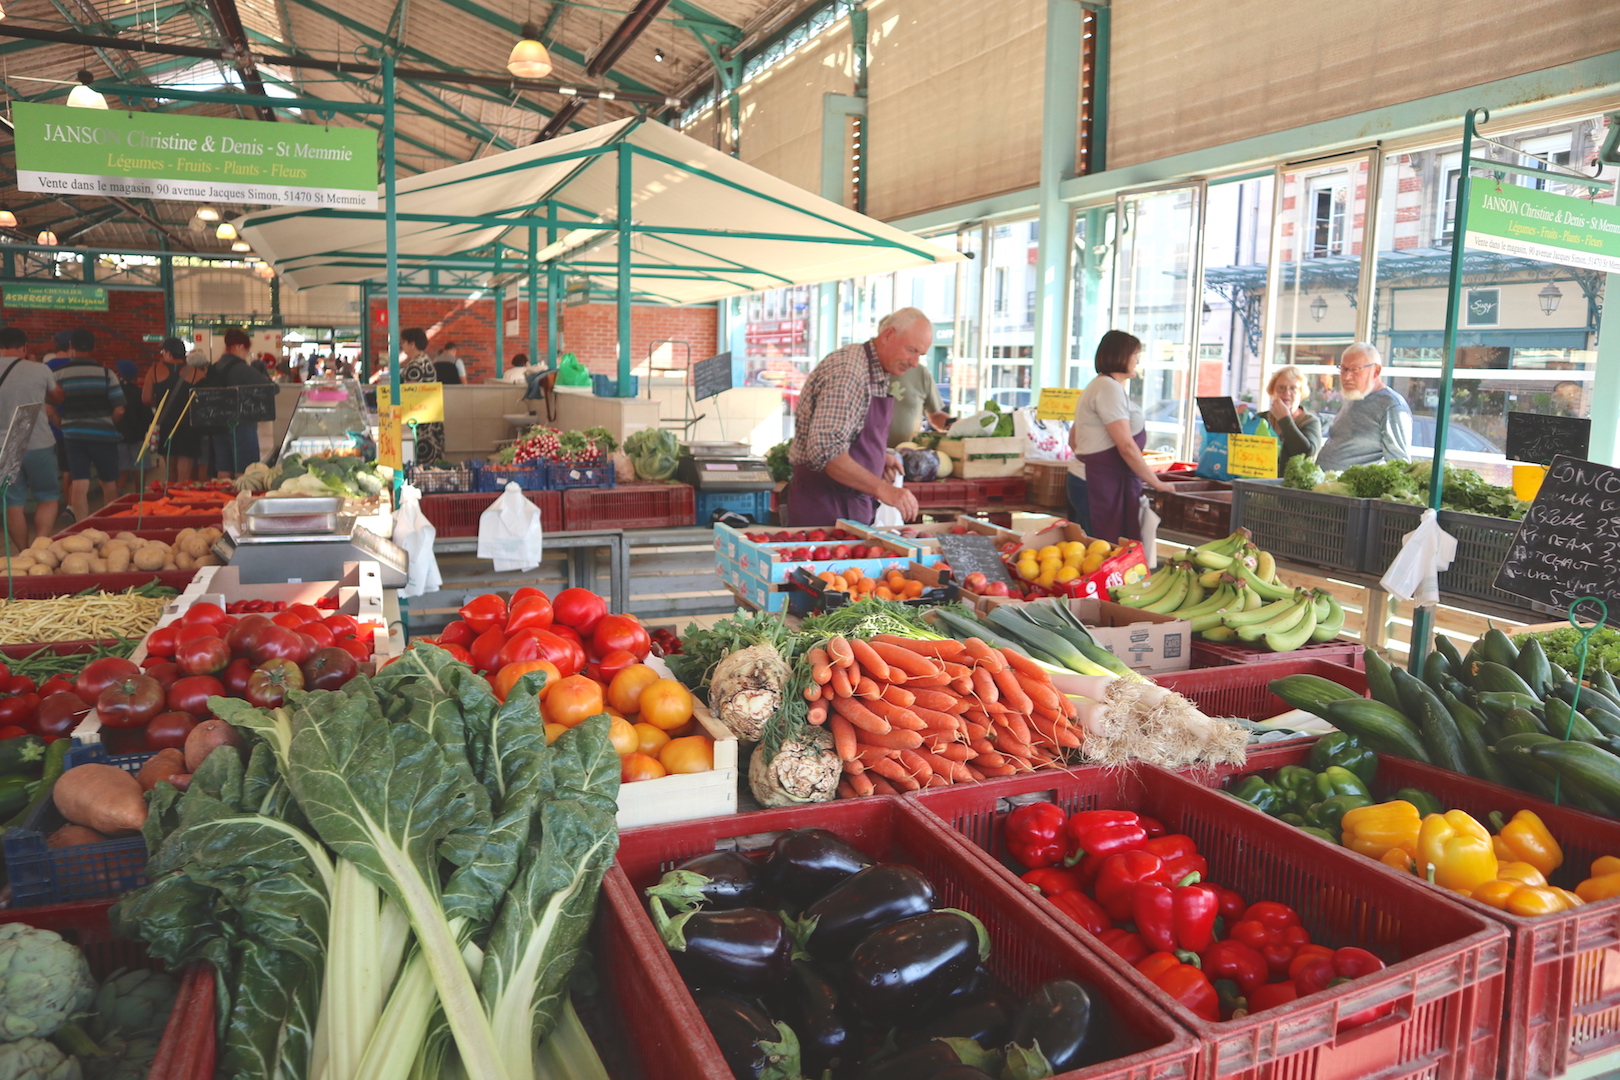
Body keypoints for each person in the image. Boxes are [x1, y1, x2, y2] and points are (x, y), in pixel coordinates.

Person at [783, 308, 932, 526]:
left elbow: (852, 435)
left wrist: (878, 457)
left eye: (920, 354)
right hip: (825, 508)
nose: (914, 362)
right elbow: (826, 450)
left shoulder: (875, 370)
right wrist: (882, 489)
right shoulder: (849, 372)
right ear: (888, 335)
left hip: (850, 504)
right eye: (911, 350)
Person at [1071, 330, 1174, 542]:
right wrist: (1157, 483)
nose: (1137, 360)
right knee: (1100, 550)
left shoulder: (1100, 385)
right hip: (1097, 483)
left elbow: (1073, 440)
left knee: (1095, 550)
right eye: (1135, 354)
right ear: (1120, 355)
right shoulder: (1108, 388)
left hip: (1093, 478)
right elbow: (1126, 446)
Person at [0, 328, 65, 548]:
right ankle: (39, 549)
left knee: (12, 502)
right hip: (37, 440)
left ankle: (23, 552)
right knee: (47, 496)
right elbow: (58, 395)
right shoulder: (39, 369)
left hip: (5, 443)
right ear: (25, 347)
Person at [56, 329, 125, 523]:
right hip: (103, 435)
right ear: (93, 347)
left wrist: (64, 426)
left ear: (71, 347)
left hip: (73, 436)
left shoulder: (59, 374)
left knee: (79, 481)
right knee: (108, 482)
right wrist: (107, 424)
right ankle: (110, 525)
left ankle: (81, 528)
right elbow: (119, 410)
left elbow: (48, 409)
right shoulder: (106, 374)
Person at [1317, 342, 1412, 470]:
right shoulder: (1354, 396)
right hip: (1326, 485)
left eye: (1355, 370)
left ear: (1376, 371)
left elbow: (1399, 465)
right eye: (1344, 369)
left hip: (1349, 487)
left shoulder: (1392, 406)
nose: (1346, 377)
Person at [200, 327, 273, 478]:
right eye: (246, 350)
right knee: (246, 471)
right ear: (239, 346)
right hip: (241, 425)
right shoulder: (241, 368)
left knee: (223, 468)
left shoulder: (215, 366)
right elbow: (272, 389)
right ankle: (242, 500)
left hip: (218, 423)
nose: (246, 354)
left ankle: (224, 499)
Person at [144, 337, 208, 482]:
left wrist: (161, 402)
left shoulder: (154, 370)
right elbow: (203, 400)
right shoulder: (195, 372)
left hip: (166, 425)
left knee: (170, 472)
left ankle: (170, 500)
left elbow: (146, 398)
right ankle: (182, 500)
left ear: (168, 353)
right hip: (188, 427)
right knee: (185, 474)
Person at [1262, 365, 1323, 470]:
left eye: (1293, 388)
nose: (1287, 393)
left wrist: (1284, 419)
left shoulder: (1310, 421)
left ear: (1301, 393)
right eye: (1281, 388)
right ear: (1273, 391)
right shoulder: (1261, 418)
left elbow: (1307, 453)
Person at [399, 328, 445, 466]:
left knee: (423, 460)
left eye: (403, 342)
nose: (402, 346)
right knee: (433, 461)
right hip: (430, 416)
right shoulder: (425, 360)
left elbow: (410, 394)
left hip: (420, 420)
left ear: (412, 344)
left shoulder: (415, 365)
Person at [886, 361, 950, 447]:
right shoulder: (865, 367)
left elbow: (935, 416)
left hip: (908, 453)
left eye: (920, 353)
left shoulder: (920, 372)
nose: (915, 360)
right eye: (912, 350)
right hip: (868, 455)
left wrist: (955, 425)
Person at [113, 359, 152, 490]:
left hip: (118, 436)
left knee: (121, 471)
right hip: (138, 437)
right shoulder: (138, 392)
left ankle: (116, 499)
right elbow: (148, 416)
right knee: (139, 469)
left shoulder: (114, 392)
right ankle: (139, 498)